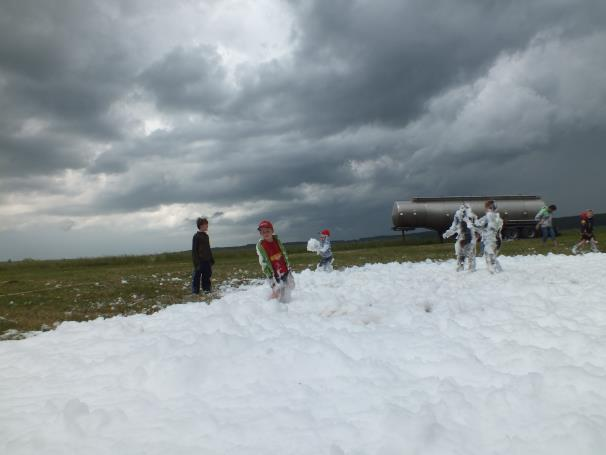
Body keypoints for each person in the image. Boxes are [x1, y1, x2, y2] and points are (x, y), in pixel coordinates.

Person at [255, 220, 295, 302]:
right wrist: (267, 272)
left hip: (284, 269)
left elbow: (284, 253)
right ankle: (271, 303)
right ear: (260, 234)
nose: (265, 233)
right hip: (273, 273)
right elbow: (262, 261)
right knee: (276, 290)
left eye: (267, 231)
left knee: (288, 286)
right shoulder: (261, 245)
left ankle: (285, 301)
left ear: (272, 231)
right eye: (263, 232)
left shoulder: (277, 241)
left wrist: (288, 264)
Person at [443, 202, 478, 272]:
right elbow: (454, 227)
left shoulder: (472, 216)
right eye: (462, 208)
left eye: (465, 208)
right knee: (460, 253)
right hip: (462, 236)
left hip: (470, 237)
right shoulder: (458, 216)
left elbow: (477, 226)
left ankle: (471, 268)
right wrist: (447, 233)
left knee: (470, 253)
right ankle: (461, 266)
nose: (463, 210)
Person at [475, 200, 504, 273]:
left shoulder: (489, 217)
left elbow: (478, 225)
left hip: (492, 240)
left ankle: (496, 271)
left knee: (490, 257)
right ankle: (496, 271)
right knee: (491, 257)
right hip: (496, 239)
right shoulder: (497, 217)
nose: (486, 209)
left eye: (487, 207)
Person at [191, 217, 214, 294]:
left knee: (206, 276)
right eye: (206, 224)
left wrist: (211, 259)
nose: (207, 226)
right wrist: (196, 263)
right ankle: (195, 291)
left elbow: (208, 248)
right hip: (199, 261)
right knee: (197, 277)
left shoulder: (206, 236)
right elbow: (194, 250)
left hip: (207, 260)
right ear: (201, 225)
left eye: (207, 224)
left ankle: (207, 290)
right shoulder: (196, 236)